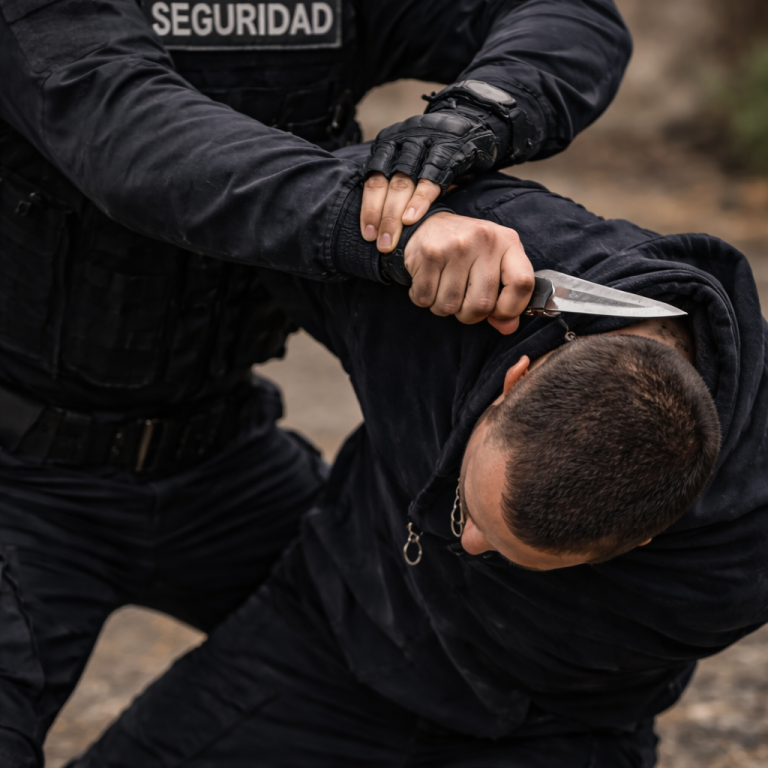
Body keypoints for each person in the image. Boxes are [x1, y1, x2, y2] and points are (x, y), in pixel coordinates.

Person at [0, 1, 633, 763]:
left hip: (224, 459)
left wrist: (476, 116)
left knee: (484, 653)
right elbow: (125, 129)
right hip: (19, 476)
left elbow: (567, 13)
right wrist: (375, 223)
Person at [66, 150, 767, 767]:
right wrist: (388, 219)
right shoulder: (471, 259)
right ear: (514, 379)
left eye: (505, 547)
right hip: (333, 638)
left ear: (646, 536)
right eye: (468, 504)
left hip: (562, 729)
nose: (465, 540)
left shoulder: (748, 545)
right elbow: (252, 184)